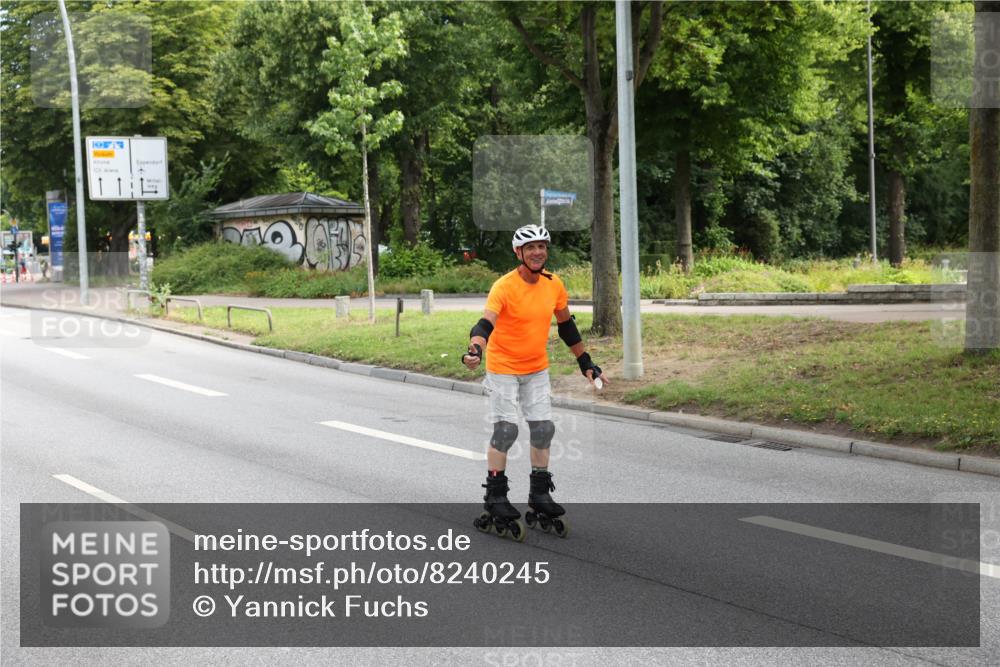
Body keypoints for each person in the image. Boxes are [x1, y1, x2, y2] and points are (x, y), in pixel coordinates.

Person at [463, 224, 607, 540]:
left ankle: (539, 494)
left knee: (543, 429)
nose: (537, 252)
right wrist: (475, 349)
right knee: (506, 430)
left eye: (542, 246)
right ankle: (495, 496)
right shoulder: (504, 286)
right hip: (503, 368)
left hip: (536, 368)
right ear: (519, 253)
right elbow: (485, 324)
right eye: (530, 248)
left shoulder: (554, 284)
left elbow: (566, 326)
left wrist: (586, 362)